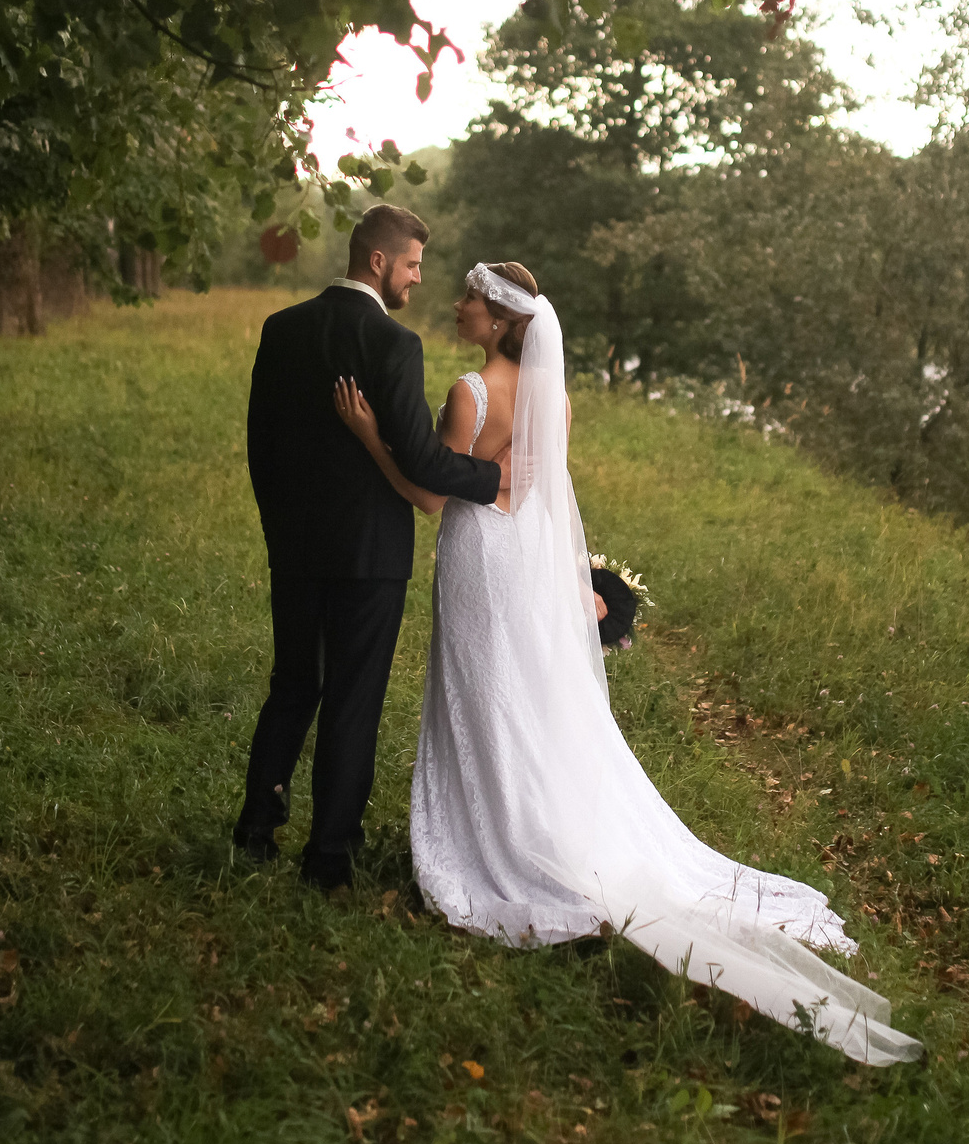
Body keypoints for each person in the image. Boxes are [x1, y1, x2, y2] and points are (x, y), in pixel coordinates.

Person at [333, 261, 923, 1065]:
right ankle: (536, 819)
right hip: (523, 561)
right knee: (522, 697)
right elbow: (540, 496)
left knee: (481, 696)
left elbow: (434, 496)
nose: (460, 306)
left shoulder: (471, 393)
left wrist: (369, 434)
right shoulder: (555, 397)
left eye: (472, 298)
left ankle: (498, 839)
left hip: (477, 558)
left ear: (501, 319)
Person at [236, 205, 503, 890]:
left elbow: (261, 447)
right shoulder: (393, 344)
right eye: (412, 264)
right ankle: (329, 856)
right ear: (379, 261)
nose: (417, 279)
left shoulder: (282, 328)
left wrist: (279, 530)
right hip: (370, 556)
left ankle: (255, 832)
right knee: (353, 700)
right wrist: (496, 477)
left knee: (293, 684)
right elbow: (422, 460)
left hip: (294, 548)